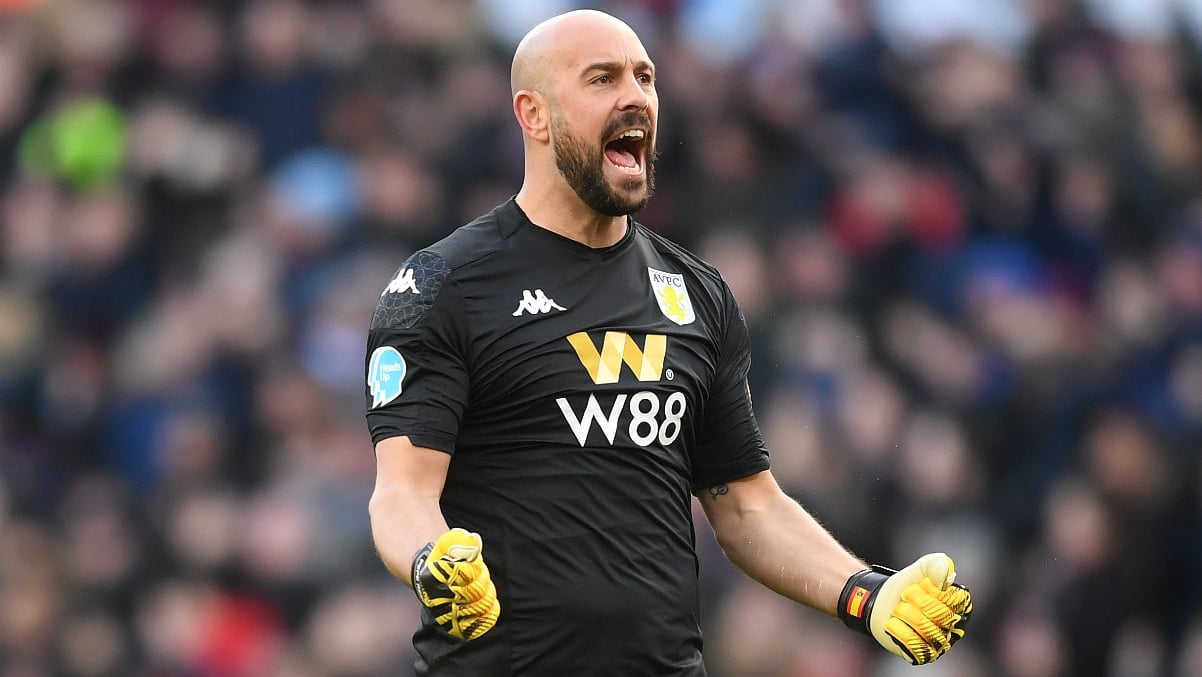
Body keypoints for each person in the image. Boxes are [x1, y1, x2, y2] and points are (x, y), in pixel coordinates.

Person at [364, 9, 972, 676]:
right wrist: (432, 560)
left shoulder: (697, 293)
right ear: (534, 115)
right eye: (602, 78)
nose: (635, 95)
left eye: (644, 78)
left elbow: (745, 504)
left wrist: (866, 591)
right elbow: (402, 492)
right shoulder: (444, 285)